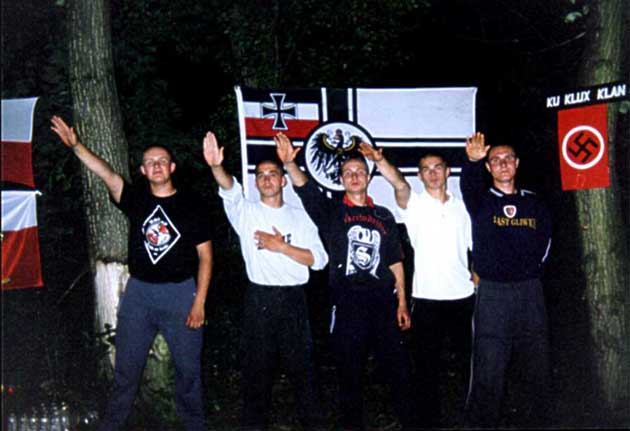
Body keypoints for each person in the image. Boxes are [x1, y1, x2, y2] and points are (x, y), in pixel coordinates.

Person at [51, 116, 212, 431]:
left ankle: (195, 426)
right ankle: (112, 425)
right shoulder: (136, 199)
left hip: (181, 293)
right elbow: (107, 173)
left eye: (161, 161)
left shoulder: (192, 204)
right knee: (126, 370)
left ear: (172, 167)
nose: (156, 165)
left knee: (189, 371)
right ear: (142, 170)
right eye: (149, 162)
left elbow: (206, 257)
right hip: (139, 294)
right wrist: (76, 145)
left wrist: (200, 302)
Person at [275, 132, 415, 431]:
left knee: (399, 371)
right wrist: (289, 164)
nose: (354, 176)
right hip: (348, 305)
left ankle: (408, 421)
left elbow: (395, 261)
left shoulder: (384, 215)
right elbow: (305, 189)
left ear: (368, 177)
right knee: (349, 374)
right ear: (340, 179)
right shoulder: (331, 212)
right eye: (348, 172)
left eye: (359, 171)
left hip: (384, 304)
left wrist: (402, 301)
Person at [202, 131, 328, 430]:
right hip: (259, 299)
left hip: (294, 299)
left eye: (273, 174)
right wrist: (216, 166)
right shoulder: (246, 213)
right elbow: (229, 189)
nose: (267, 179)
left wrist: (281, 247)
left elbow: (320, 260)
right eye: (261, 175)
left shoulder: (301, 216)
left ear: (283, 181)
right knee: (256, 375)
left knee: (304, 373)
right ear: (256, 182)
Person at [358, 144, 475, 428]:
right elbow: (399, 183)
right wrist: (379, 161)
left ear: (448, 172)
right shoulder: (414, 205)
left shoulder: (463, 207)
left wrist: (476, 273)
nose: (432, 174)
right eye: (426, 169)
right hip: (427, 299)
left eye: (437, 168)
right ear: (420, 176)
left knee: (469, 365)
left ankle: (473, 419)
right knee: (425, 368)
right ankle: (427, 422)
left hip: (463, 297)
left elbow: (474, 246)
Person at [461, 132, 552, 428]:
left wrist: (532, 272)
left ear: (517, 163)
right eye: (496, 160)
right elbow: (468, 183)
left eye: (508, 158)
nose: (502, 164)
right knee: (489, 366)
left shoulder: (534, 202)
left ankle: (536, 422)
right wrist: (472, 162)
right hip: (493, 294)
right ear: (489, 167)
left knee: (536, 363)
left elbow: (547, 242)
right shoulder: (481, 201)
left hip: (529, 292)